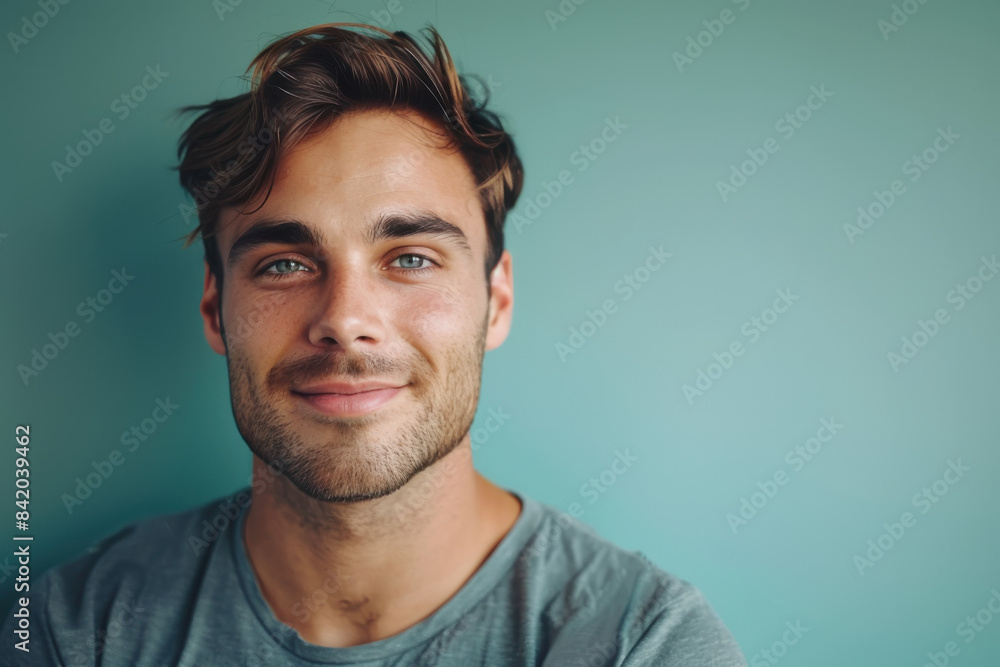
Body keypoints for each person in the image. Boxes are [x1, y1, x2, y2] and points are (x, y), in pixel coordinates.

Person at [1, 22, 747, 666]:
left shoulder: (641, 644)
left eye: (411, 258)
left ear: (497, 299)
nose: (346, 318)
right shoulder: (79, 629)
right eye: (285, 263)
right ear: (214, 307)